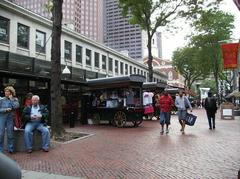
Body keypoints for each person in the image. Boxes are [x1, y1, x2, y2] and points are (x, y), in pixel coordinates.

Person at [0, 86, 19, 153]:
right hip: (2, 118)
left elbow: (16, 106)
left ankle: (10, 149)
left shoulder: (15, 99)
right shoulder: (1, 100)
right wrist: (5, 109)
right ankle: (0, 150)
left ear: (11, 92)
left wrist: (11, 100)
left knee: (10, 134)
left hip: (10, 118)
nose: (6, 93)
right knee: (1, 134)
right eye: (5, 91)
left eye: (8, 91)